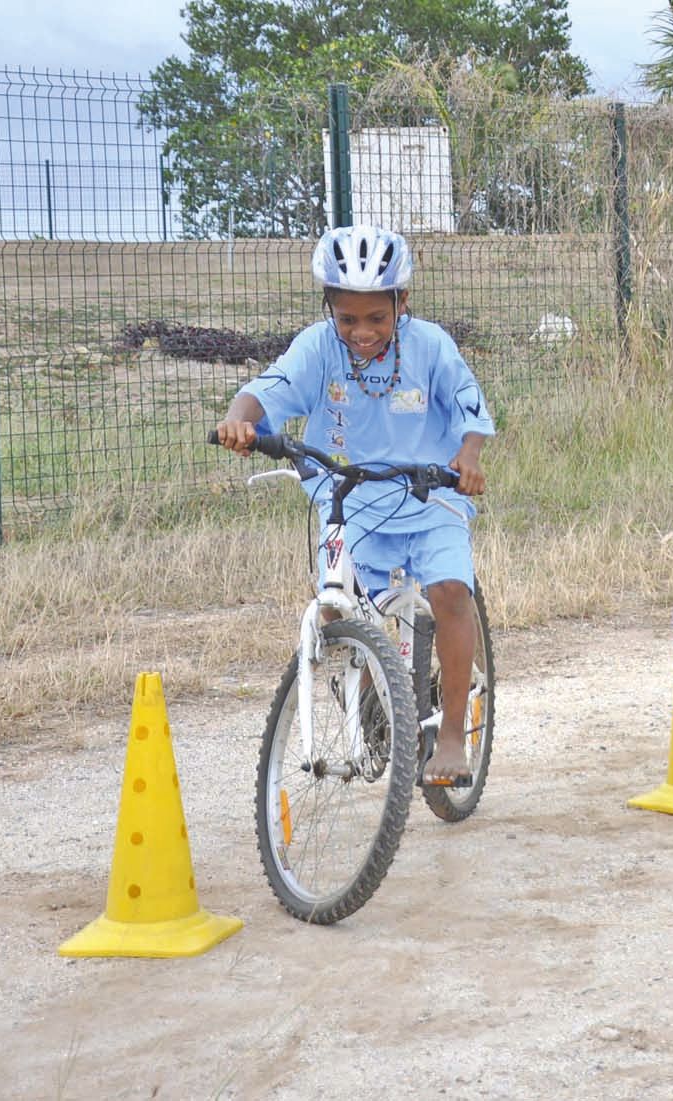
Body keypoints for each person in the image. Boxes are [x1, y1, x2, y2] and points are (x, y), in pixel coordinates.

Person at [212, 223, 495, 784]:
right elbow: (266, 390)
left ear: (402, 302)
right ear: (329, 309)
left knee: (449, 592)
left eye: (376, 318)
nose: (361, 332)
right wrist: (240, 421)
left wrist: (468, 457)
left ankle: (454, 731)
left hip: (428, 494)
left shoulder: (431, 346)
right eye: (347, 319)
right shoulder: (318, 348)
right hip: (349, 502)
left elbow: (469, 410)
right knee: (345, 609)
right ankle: (372, 687)